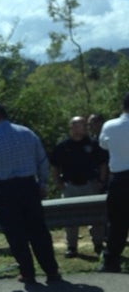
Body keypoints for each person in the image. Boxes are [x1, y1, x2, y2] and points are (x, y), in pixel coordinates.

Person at [0, 102, 61, 284]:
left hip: (4, 191)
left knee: (16, 234)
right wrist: (43, 183)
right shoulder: (27, 134)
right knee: (39, 231)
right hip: (29, 187)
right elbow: (42, 161)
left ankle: (27, 272)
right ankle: (51, 271)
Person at [50, 115, 108, 257]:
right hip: (70, 186)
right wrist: (58, 183)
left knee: (96, 217)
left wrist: (101, 180)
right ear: (70, 128)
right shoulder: (63, 146)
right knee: (69, 218)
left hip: (90, 185)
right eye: (75, 125)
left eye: (81, 125)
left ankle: (98, 245)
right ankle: (72, 247)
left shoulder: (94, 144)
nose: (78, 128)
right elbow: (55, 166)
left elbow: (103, 164)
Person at [97, 92, 129, 273]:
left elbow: (103, 145)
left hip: (119, 179)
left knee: (117, 222)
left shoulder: (110, 126)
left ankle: (111, 260)